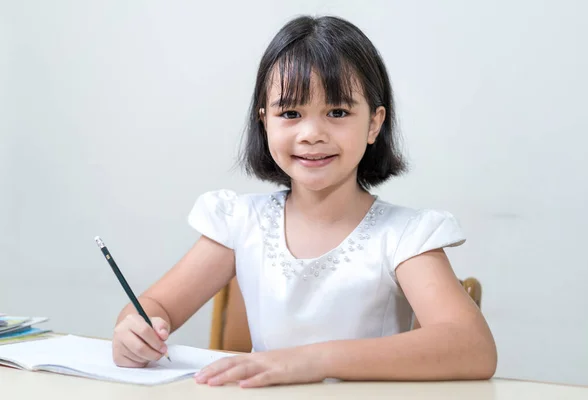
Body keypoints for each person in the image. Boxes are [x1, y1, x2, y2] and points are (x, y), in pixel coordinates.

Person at [111, 15, 497, 388]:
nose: (312, 133)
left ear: (375, 124)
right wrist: (135, 330)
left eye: (338, 112)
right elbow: (153, 306)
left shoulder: (405, 236)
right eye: (291, 112)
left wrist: (310, 360)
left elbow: (473, 348)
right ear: (265, 121)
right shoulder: (239, 221)